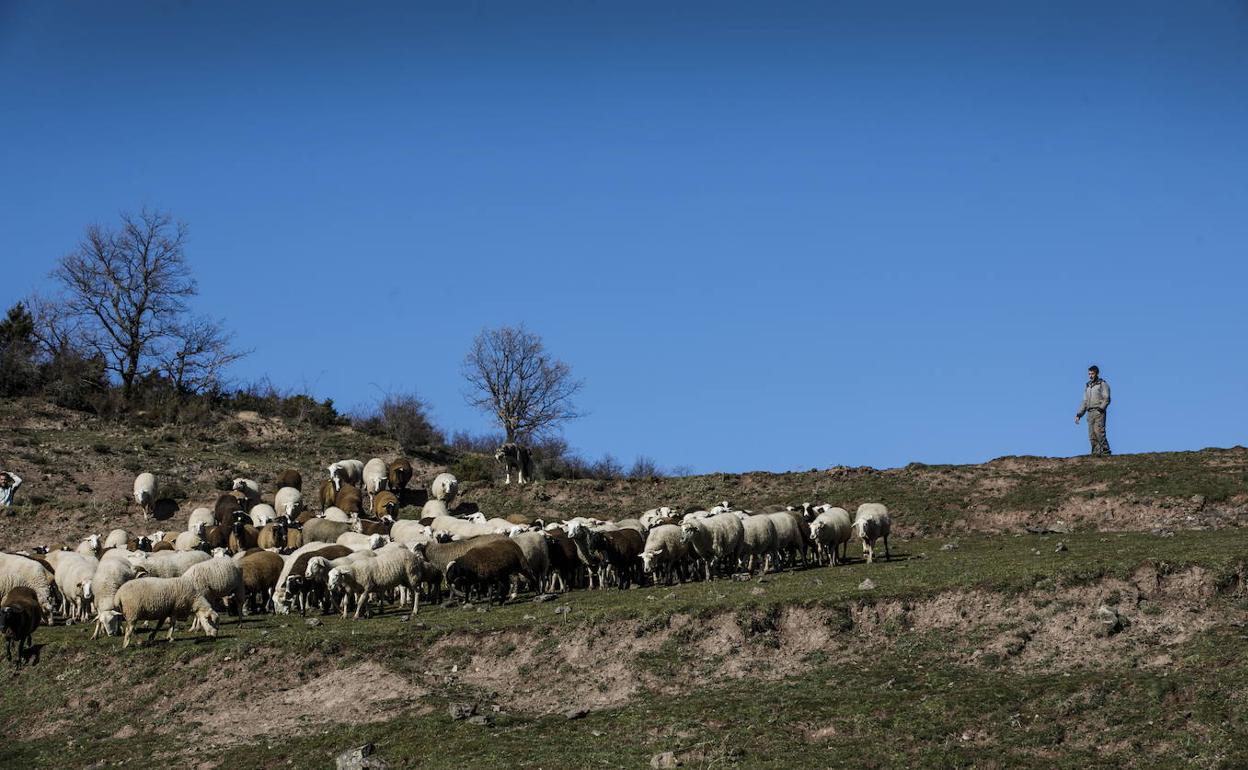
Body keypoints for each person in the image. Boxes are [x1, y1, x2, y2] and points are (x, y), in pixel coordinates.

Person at [1074, 365, 1111, 455]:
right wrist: (1079, 414)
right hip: (1089, 413)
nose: (1090, 376)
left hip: (1099, 412)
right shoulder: (1088, 386)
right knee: (1091, 435)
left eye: (1092, 374)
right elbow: (1085, 402)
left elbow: (1106, 398)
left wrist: (1101, 409)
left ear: (1097, 373)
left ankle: (1105, 451)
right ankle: (1095, 453)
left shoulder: (1102, 384)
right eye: (1089, 374)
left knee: (1099, 432)